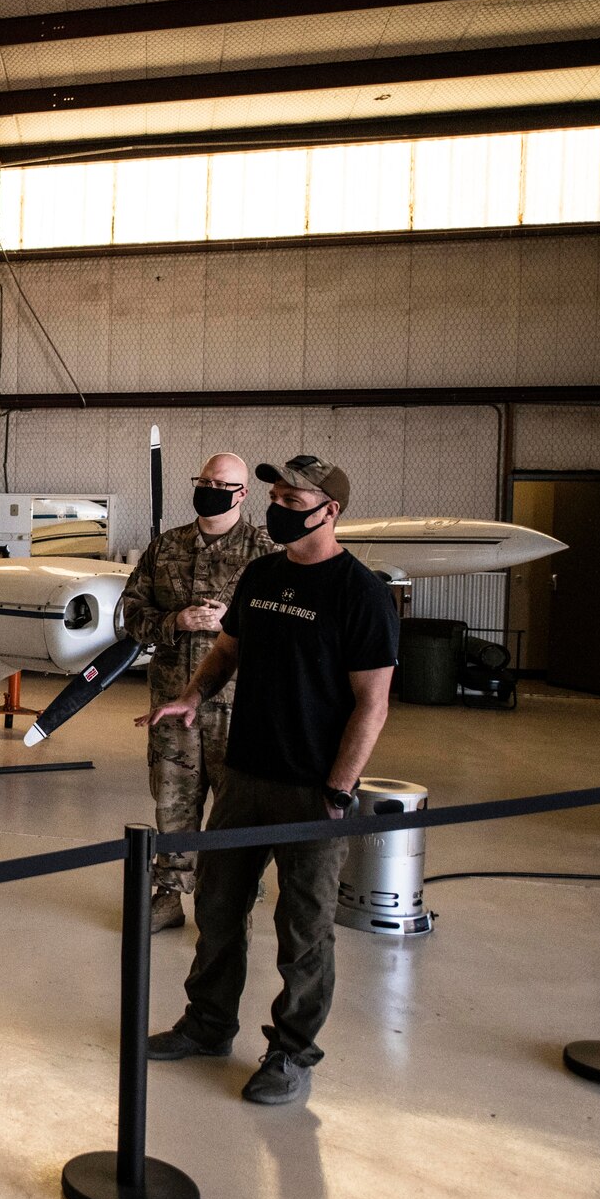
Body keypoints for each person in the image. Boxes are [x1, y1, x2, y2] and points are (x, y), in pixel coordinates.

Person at [136, 455, 398, 1106]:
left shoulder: (359, 592)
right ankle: (207, 1023)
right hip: (243, 775)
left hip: (311, 786)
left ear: (329, 510)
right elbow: (227, 650)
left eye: (291, 497)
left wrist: (338, 790)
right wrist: (195, 696)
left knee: (303, 927)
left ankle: (291, 1050)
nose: (276, 505)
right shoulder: (261, 574)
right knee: (219, 908)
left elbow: (373, 703)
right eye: (274, 494)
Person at [120, 453, 274, 933]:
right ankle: (169, 895)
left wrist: (231, 618)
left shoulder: (265, 553)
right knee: (172, 801)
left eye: (221, 483)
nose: (209, 488)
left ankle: (232, 907)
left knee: (236, 808)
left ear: (242, 493)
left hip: (239, 708)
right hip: (172, 701)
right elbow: (130, 610)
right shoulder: (165, 548)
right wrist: (175, 621)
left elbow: (280, 628)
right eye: (204, 480)